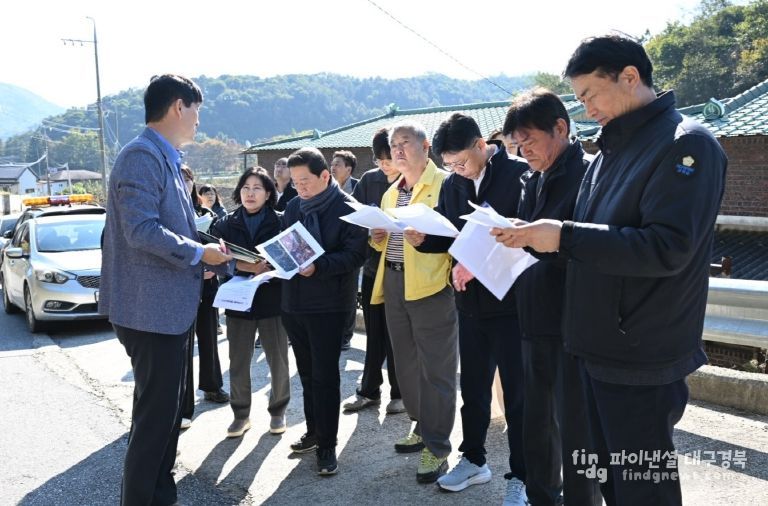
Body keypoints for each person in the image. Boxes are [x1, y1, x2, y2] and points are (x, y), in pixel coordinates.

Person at [492, 35, 728, 506]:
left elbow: (668, 247)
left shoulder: (687, 145)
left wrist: (563, 236)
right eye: (579, 98)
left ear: (629, 77)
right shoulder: (609, 153)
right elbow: (589, 242)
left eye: (589, 95)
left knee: (644, 488)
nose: (586, 107)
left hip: (641, 353)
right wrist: (540, 240)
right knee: (610, 481)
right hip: (594, 347)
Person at [99, 74, 232, 506]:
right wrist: (199, 254)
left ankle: (160, 496)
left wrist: (205, 255)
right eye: (196, 110)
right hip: (148, 311)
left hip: (167, 307)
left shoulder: (165, 157)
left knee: (169, 415)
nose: (198, 121)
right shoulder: (141, 156)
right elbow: (141, 231)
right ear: (178, 106)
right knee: (155, 420)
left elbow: (172, 227)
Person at [408, 113, 528, 504]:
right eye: (450, 166)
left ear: (481, 144)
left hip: (512, 304)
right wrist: (422, 237)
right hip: (470, 303)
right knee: (473, 388)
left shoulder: (520, 175)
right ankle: (474, 458)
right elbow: (449, 236)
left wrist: (476, 260)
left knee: (518, 394)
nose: (457, 171)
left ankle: (522, 474)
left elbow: (523, 237)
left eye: (461, 163)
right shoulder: (456, 183)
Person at [500, 90, 601, 506]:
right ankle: (542, 498)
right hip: (532, 316)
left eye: (529, 141)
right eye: (517, 145)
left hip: (572, 323)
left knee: (577, 430)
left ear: (561, 128)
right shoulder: (532, 178)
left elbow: (592, 252)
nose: (523, 152)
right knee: (535, 424)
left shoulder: (591, 175)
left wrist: (540, 239)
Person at [369, 121, 457, 484]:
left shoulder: (446, 184)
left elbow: (457, 235)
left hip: (432, 283)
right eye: (394, 145)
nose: (398, 150)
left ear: (426, 146)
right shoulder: (391, 193)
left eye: (405, 142)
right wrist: (377, 237)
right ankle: (422, 426)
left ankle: (437, 447)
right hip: (394, 278)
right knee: (405, 363)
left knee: (436, 368)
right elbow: (387, 241)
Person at [281, 147, 367, 476]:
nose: (300, 188)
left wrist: (319, 266)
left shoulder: (348, 209)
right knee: (306, 373)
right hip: (294, 303)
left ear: (325, 176)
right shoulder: (292, 207)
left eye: (305, 181)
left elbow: (354, 256)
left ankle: (328, 446)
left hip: (329, 305)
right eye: (295, 182)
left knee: (326, 376)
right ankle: (314, 430)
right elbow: (287, 244)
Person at [209, 167, 291, 438]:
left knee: (278, 360)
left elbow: (292, 259)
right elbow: (215, 261)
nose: (250, 193)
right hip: (237, 303)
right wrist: (243, 266)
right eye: (246, 188)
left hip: (273, 301)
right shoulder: (225, 224)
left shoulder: (282, 221)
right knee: (238, 361)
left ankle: (278, 411)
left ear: (268, 193)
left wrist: (270, 269)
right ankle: (240, 414)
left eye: (257, 188)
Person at [343, 127, 404, 415]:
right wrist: (370, 233)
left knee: (397, 335)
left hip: (400, 269)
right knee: (373, 331)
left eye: (388, 158)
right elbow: (353, 219)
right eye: (379, 159)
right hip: (371, 268)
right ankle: (369, 390)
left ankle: (400, 392)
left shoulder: (411, 182)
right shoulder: (369, 180)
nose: (384, 165)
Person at [179, 165, 229, 432]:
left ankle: (212, 385)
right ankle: (184, 403)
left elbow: (219, 245)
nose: (185, 182)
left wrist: (213, 267)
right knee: (184, 345)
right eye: (181, 178)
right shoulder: (170, 210)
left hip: (208, 284)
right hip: (182, 285)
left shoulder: (204, 212)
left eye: (189, 178)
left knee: (209, 336)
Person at [330, 150, 361, 350]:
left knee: (349, 293)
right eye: (331, 164)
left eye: (337, 165)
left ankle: (346, 336)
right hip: (332, 246)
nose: (332, 168)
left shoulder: (358, 187)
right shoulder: (326, 189)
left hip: (352, 247)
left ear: (348, 169)